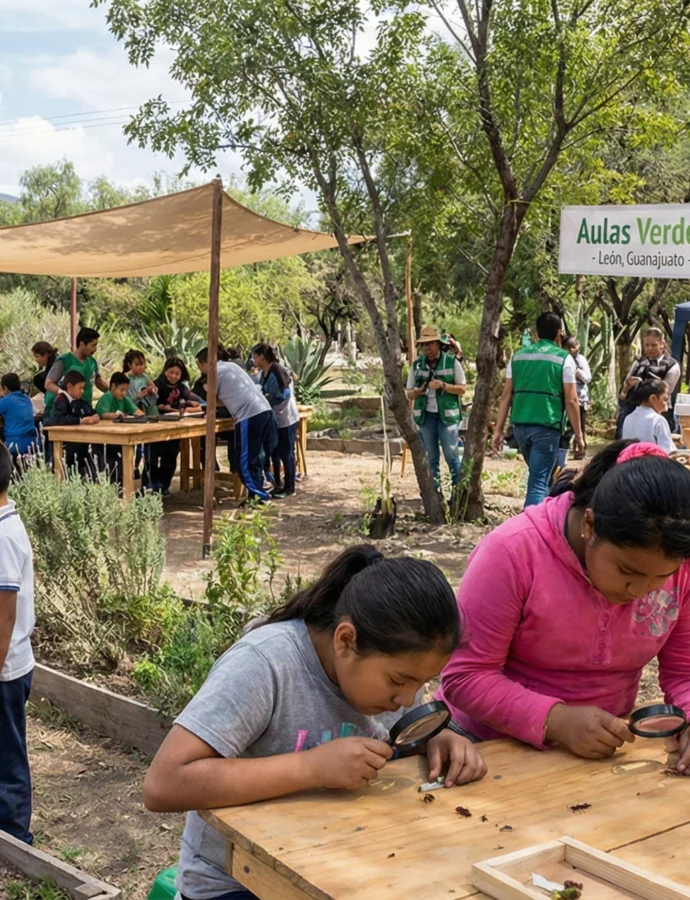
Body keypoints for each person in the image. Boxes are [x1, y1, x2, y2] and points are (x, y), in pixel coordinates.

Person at [142, 546, 487, 900]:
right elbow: (163, 784)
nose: (409, 699)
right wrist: (311, 768)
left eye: (423, 682)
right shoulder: (265, 665)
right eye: (399, 681)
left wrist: (437, 739)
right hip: (235, 882)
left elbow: (402, 729)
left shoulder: (382, 676)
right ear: (346, 641)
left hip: (337, 864)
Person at [439, 441, 690, 771]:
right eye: (627, 571)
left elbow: (684, 672)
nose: (640, 591)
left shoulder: (679, 563)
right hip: (482, 748)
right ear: (589, 525)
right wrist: (555, 721)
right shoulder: (512, 553)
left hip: (601, 755)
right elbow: (465, 676)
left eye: (661, 577)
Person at [492, 312, 585, 507]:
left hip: (520, 426)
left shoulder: (518, 356)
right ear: (559, 333)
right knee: (538, 482)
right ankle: (532, 522)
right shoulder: (564, 359)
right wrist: (579, 435)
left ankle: (546, 515)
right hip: (547, 426)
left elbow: (506, 395)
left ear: (536, 332)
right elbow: (571, 400)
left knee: (540, 476)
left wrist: (499, 430)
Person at [0, 442, 35, 844]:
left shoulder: (5, 535)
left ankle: (15, 837)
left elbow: (4, 617)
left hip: (5, 669)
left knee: (9, 755)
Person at [197, 348, 273, 502]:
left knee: (244, 460)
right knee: (253, 457)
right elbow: (226, 398)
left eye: (200, 366)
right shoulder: (231, 366)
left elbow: (212, 400)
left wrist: (205, 391)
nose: (201, 370)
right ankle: (255, 494)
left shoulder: (215, 372)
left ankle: (259, 496)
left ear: (204, 363)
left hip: (249, 414)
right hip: (263, 410)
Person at [405, 326, 466, 490]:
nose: (427, 348)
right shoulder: (417, 365)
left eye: (430, 344)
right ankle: (435, 493)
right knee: (431, 457)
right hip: (426, 417)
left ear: (438, 344)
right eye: (424, 345)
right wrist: (416, 392)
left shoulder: (452, 363)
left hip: (448, 417)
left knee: (452, 456)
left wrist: (443, 385)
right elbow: (409, 393)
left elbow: (462, 389)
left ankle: (457, 494)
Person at [252, 343, 299, 499]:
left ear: (262, 357)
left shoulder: (278, 371)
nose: (253, 360)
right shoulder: (264, 373)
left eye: (254, 356)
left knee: (287, 453)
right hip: (275, 419)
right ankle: (278, 484)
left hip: (286, 418)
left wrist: (265, 399)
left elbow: (283, 395)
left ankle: (290, 487)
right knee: (276, 452)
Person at [148, 358, 202, 495]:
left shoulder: (182, 388)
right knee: (152, 456)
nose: (173, 376)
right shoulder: (156, 384)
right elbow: (150, 403)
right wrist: (160, 407)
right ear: (165, 371)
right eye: (171, 372)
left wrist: (186, 406)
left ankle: (164, 485)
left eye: (177, 374)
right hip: (155, 426)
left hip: (174, 427)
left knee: (171, 456)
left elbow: (199, 403)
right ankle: (151, 484)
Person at [617, 327, 680, 437]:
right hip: (633, 408)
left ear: (662, 343)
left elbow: (666, 389)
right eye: (647, 345)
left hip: (658, 411)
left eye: (654, 345)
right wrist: (628, 384)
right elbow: (626, 385)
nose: (650, 348)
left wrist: (647, 383)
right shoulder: (639, 362)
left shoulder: (671, 365)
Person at [45, 371, 102, 479]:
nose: (82, 391)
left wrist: (94, 416)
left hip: (77, 440)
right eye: (80, 388)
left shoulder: (78, 401)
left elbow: (89, 411)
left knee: (96, 447)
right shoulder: (61, 400)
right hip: (65, 444)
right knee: (90, 449)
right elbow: (58, 419)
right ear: (70, 386)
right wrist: (80, 421)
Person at [44, 327, 109, 416]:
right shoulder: (64, 361)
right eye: (93, 345)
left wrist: (113, 391)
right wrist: (64, 394)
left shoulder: (92, 362)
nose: (95, 349)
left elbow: (98, 381)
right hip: (60, 412)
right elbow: (48, 384)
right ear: (82, 344)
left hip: (83, 409)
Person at [622, 379, 680, 456]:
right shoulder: (658, 420)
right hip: (652, 462)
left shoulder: (628, 418)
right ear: (653, 398)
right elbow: (668, 452)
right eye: (665, 400)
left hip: (630, 461)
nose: (666, 405)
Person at [0, 375, 38, 460]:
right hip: (32, 442)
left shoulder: (6, 400)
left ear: (5, 388)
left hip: (15, 445)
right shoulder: (26, 399)